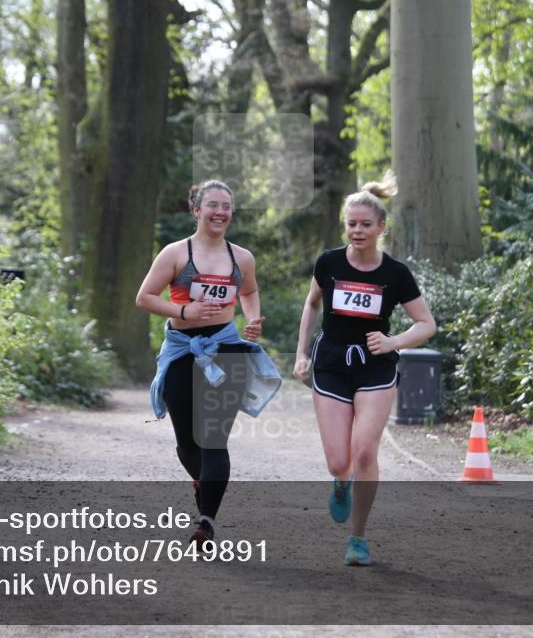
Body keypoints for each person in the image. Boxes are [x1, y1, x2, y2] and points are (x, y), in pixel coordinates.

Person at [293, 171, 436, 566]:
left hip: (375, 366)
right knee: (340, 462)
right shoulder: (329, 263)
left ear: (381, 228)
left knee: (365, 451)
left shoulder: (396, 273)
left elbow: (427, 324)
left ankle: (358, 537)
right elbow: (312, 305)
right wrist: (300, 353)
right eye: (352, 224)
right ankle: (341, 482)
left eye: (365, 225)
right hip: (332, 363)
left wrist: (393, 341)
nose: (357, 231)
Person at [136, 180, 281, 548]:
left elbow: (248, 290)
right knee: (188, 444)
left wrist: (253, 318)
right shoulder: (175, 253)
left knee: (214, 440)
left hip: (225, 350)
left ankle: (206, 523)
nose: (220, 212)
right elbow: (145, 298)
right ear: (196, 210)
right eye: (212, 205)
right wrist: (185, 310)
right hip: (183, 351)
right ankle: (201, 482)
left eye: (226, 206)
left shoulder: (242, 257)